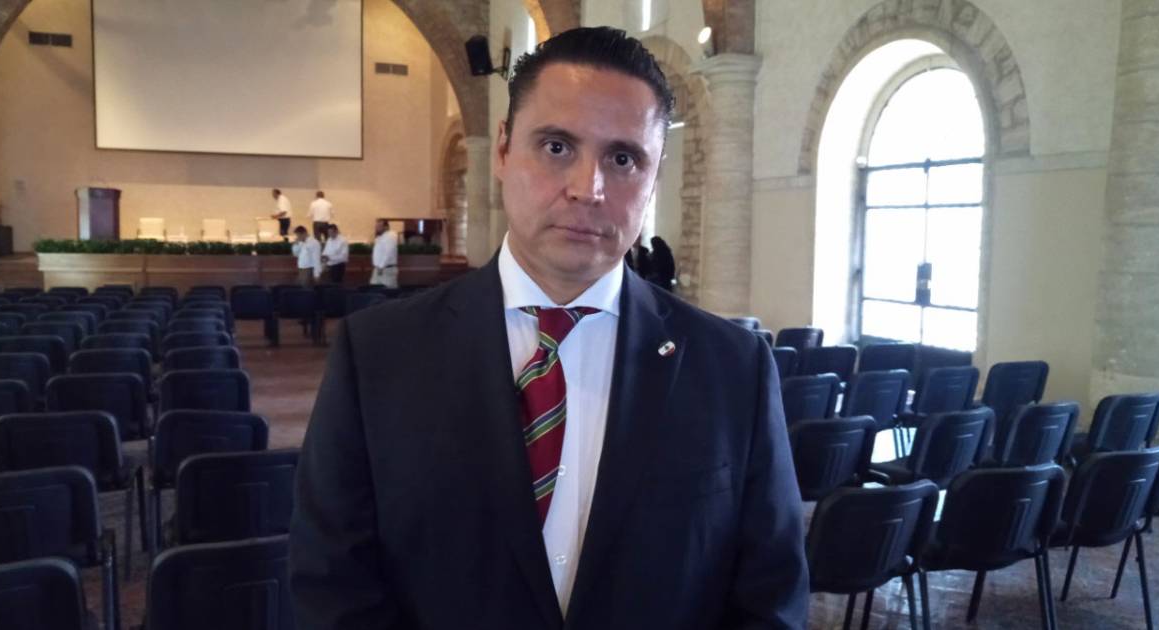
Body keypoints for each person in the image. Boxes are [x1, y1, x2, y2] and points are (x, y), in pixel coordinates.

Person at [290, 26, 808, 629]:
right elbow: (333, 587)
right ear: (503, 150)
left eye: (623, 158)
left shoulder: (734, 369)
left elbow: (770, 597)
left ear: (654, 176)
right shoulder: (378, 355)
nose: (587, 189)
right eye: (557, 146)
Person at [369, 218, 399, 289]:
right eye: (376, 226)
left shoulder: (390, 236)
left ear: (386, 227)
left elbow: (388, 252)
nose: (377, 228)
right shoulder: (380, 237)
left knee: (387, 290)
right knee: (374, 289)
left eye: (379, 226)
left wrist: (381, 266)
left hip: (386, 269)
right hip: (378, 269)